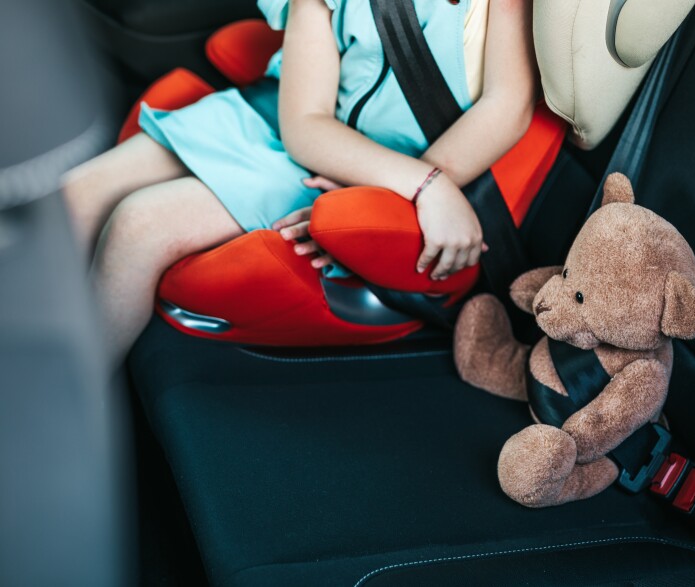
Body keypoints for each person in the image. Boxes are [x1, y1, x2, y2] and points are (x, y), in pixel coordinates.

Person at [63, 0, 536, 366]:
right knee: (70, 197)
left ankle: (67, 414)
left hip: (367, 175)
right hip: (292, 129)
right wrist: (425, 185)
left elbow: (508, 104)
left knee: (138, 225)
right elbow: (305, 123)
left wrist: (412, 189)